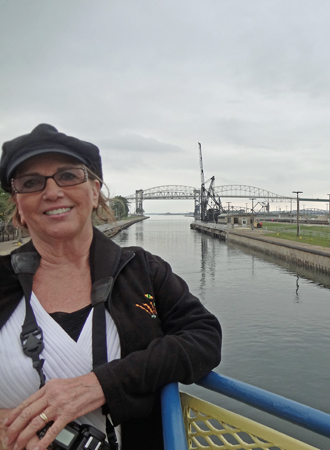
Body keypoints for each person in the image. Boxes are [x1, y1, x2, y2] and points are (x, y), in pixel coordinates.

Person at [0, 124, 222, 450]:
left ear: (94, 191)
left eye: (68, 176)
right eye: (30, 183)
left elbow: (204, 339)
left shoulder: (141, 270)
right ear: (18, 204)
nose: (51, 192)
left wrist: (104, 384)